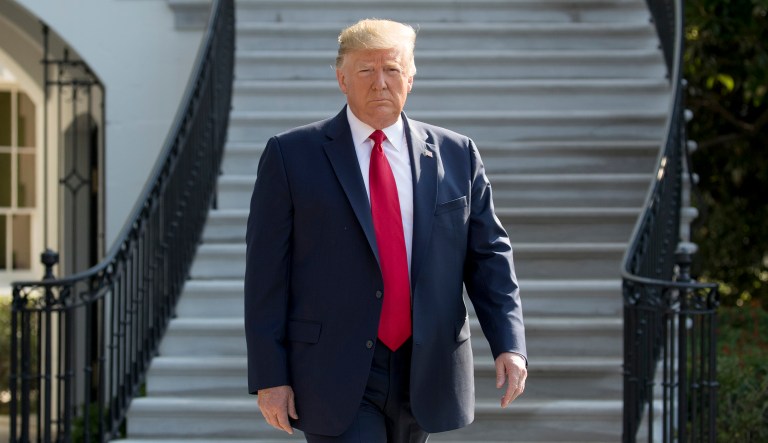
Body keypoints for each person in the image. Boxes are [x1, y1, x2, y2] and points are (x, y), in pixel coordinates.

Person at [244, 18, 527, 443]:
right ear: (341, 79)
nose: (380, 83)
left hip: (427, 365)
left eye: (392, 70)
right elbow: (266, 274)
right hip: (331, 369)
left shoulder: (457, 154)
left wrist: (509, 342)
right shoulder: (291, 156)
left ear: (410, 78)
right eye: (365, 71)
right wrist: (270, 375)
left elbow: (488, 256)